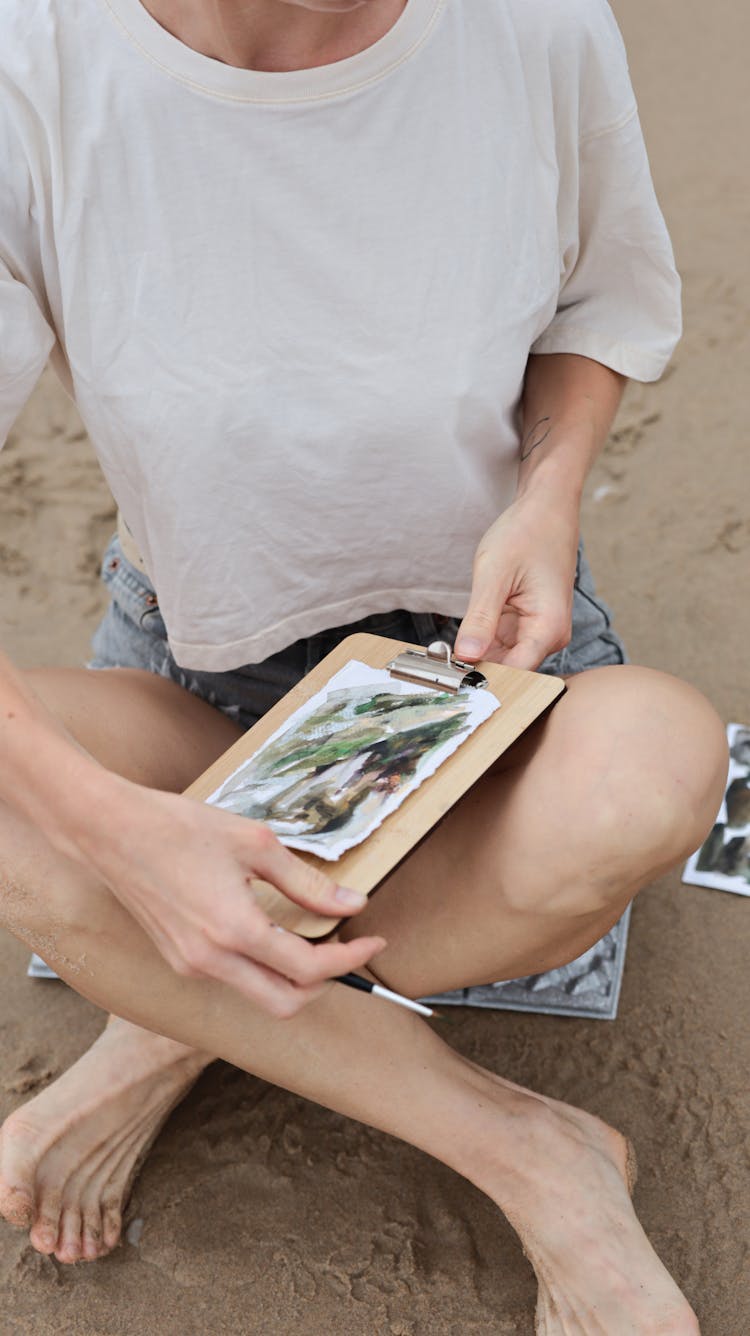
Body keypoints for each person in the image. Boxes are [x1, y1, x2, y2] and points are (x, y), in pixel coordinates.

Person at [0, 0, 727, 1329]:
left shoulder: (536, 24)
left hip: (483, 661)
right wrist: (119, 830)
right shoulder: (31, 62)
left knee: (654, 767)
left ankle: (175, 1017)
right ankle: (531, 1152)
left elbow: (595, 305)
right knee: (23, 814)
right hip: (197, 675)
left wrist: (543, 502)